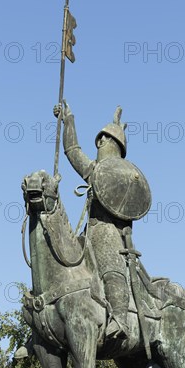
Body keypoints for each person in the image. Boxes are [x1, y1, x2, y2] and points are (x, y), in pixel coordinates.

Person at [55, 101, 151, 340]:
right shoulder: (97, 169)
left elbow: (73, 151)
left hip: (110, 233)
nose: (100, 143)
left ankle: (119, 320)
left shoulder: (118, 175)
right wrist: (69, 120)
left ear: (107, 142)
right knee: (58, 266)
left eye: (104, 139)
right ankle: (39, 329)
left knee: (111, 268)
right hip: (89, 233)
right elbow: (72, 150)